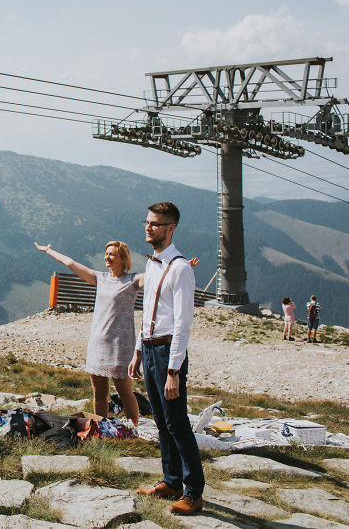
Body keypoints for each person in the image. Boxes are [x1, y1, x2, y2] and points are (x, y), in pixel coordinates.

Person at [128, 201, 204, 516]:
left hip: (168, 351)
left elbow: (182, 324)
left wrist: (174, 370)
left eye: (155, 224)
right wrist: (137, 351)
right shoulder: (153, 263)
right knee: (161, 421)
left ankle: (193, 491)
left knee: (176, 422)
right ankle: (171, 480)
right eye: (147, 222)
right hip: (149, 348)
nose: (148, 227)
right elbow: (147, 313)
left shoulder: (182, 268)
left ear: (170, 229)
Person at [34, 240, 142, 425]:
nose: (106, 257)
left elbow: (155, 278)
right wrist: (49, 251)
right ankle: (102, 427)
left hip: (120, 346)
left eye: (112, 254)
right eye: (106, 253)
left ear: (122, 258)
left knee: (125, 392)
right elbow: (71, 264)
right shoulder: (100, 278)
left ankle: (134, 427)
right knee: (99, 393)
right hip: (98, 343)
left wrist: (177, 269)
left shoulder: (132, 280)